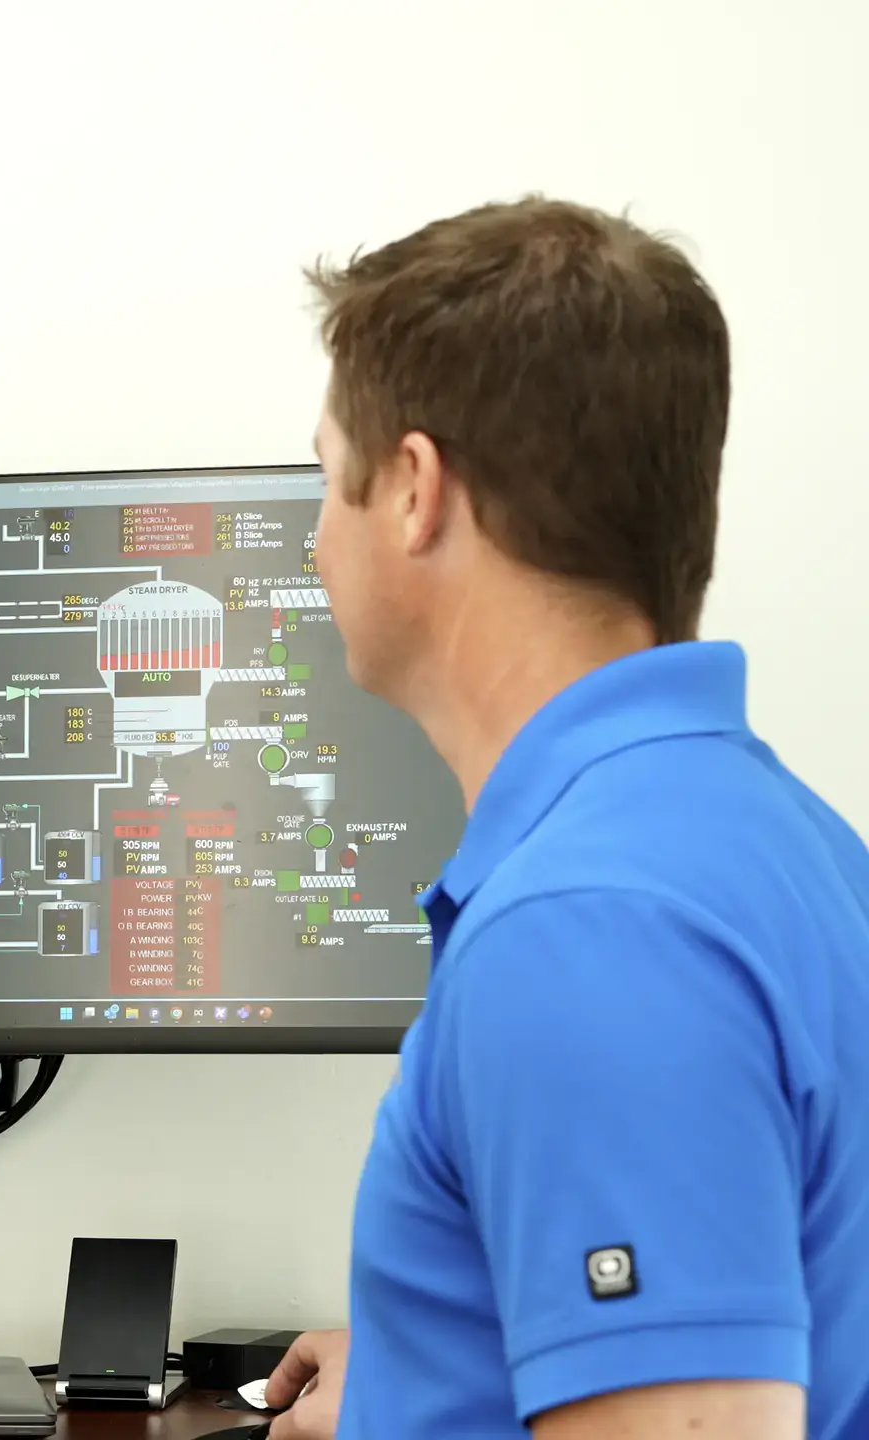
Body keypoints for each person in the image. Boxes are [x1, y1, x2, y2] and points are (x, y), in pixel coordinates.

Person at [260, 197, 869, 1437]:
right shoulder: (781, 840)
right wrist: (426, 1380)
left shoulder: (587, 931)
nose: (316, 545)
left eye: (329, 484)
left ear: (416, 493)